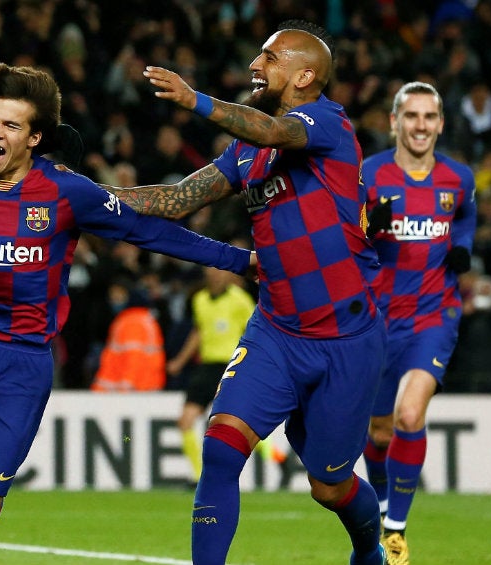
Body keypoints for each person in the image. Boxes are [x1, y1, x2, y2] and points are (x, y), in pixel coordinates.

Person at [0, 62, 256, 565]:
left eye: (10, 125)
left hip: (23, 366)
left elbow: (150, 232)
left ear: (35, 138)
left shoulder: (68, 193)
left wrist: (240, 261)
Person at [104, 20, 389, 565]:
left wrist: (196, 100)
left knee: (328, 486)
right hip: (277, 331)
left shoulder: (326, 123)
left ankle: (370, 550)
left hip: (346, 337)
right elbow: (178, 198)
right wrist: (89, 196)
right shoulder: (244, 151)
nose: (256, 65)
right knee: (221, 447)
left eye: (270, 58)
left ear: (306, 74)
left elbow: (275, 132)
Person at [360, 81, 476, 565]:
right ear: (394, 121)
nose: (421, 125)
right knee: (380, 431)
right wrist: (369, 225)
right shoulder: (368, 174)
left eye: (430, 117)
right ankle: (385, 503)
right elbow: (347, 235)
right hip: (379, 318)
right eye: (412, 116)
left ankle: (395, 530)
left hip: (435, 313)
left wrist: (462, 248)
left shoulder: (459, 178)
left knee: (411, 415)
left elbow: (464, 216)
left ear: (441, 124)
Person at [167, 263, 255, 487]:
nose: (215, 276)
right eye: (211, 273)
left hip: (232, 366)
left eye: (219, 272)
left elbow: (254, 333)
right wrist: (180, 361)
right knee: (185, 420)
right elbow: (198, 332)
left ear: (227, 275)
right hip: (206, 368)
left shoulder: (240, 300)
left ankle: (278, 459)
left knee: (238, 424)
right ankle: (198, 477)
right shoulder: (199, 300)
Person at [90, 272, 167, 392]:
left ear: (128, 294)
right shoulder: (142, 318)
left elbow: (134, 357)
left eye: (118, 293)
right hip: (145, 386)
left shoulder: (132, 321)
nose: (114, 298)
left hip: (133, 390)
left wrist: (126, 386)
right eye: (112, 294)